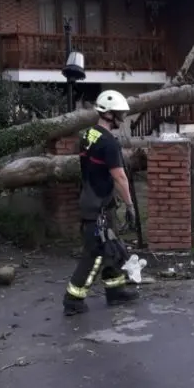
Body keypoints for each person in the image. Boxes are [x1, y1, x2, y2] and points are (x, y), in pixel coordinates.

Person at [62, 90, 138, 316]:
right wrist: (130, 206)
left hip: (96, 200)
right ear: (110, 114)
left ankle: (115, 292)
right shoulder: (108, 143)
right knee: (95, 253)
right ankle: (73, 300)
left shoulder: (88, 136)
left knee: (112, 249)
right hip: (97, 207)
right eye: (120, 114)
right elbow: (120, 177)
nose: (122, 119)